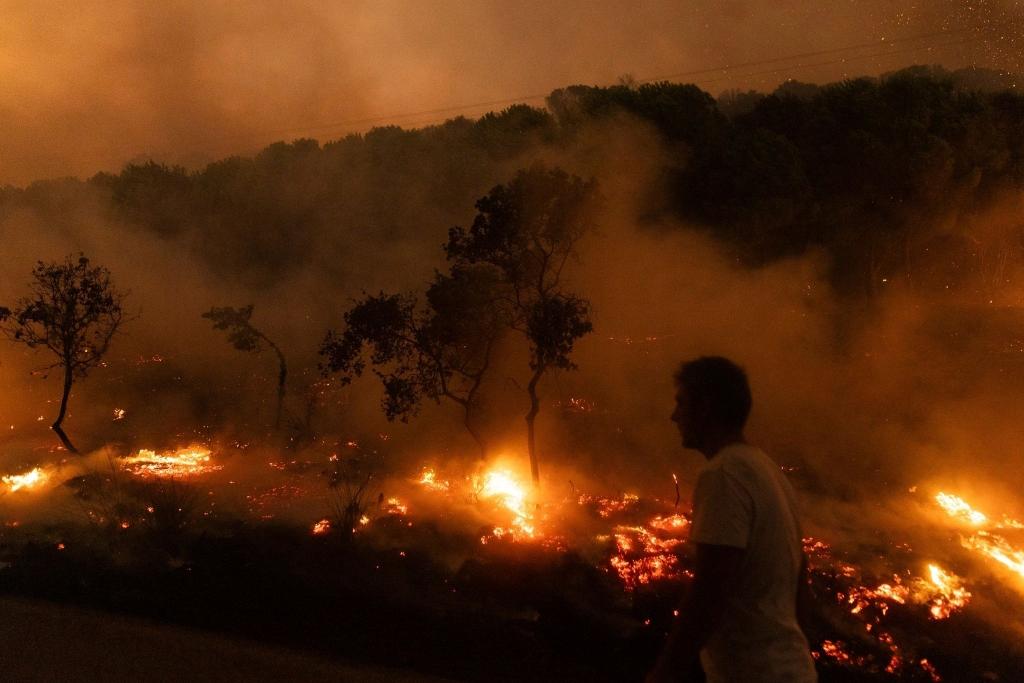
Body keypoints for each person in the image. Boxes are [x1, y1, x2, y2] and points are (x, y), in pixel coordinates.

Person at [647, 356, 816, 683]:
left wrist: (666, 672)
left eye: (681, 402)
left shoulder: (724, 474)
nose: (674, 416)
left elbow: (710, 589)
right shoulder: (768, 471)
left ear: (705, 407)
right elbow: (800, 582)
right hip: (790, 670)